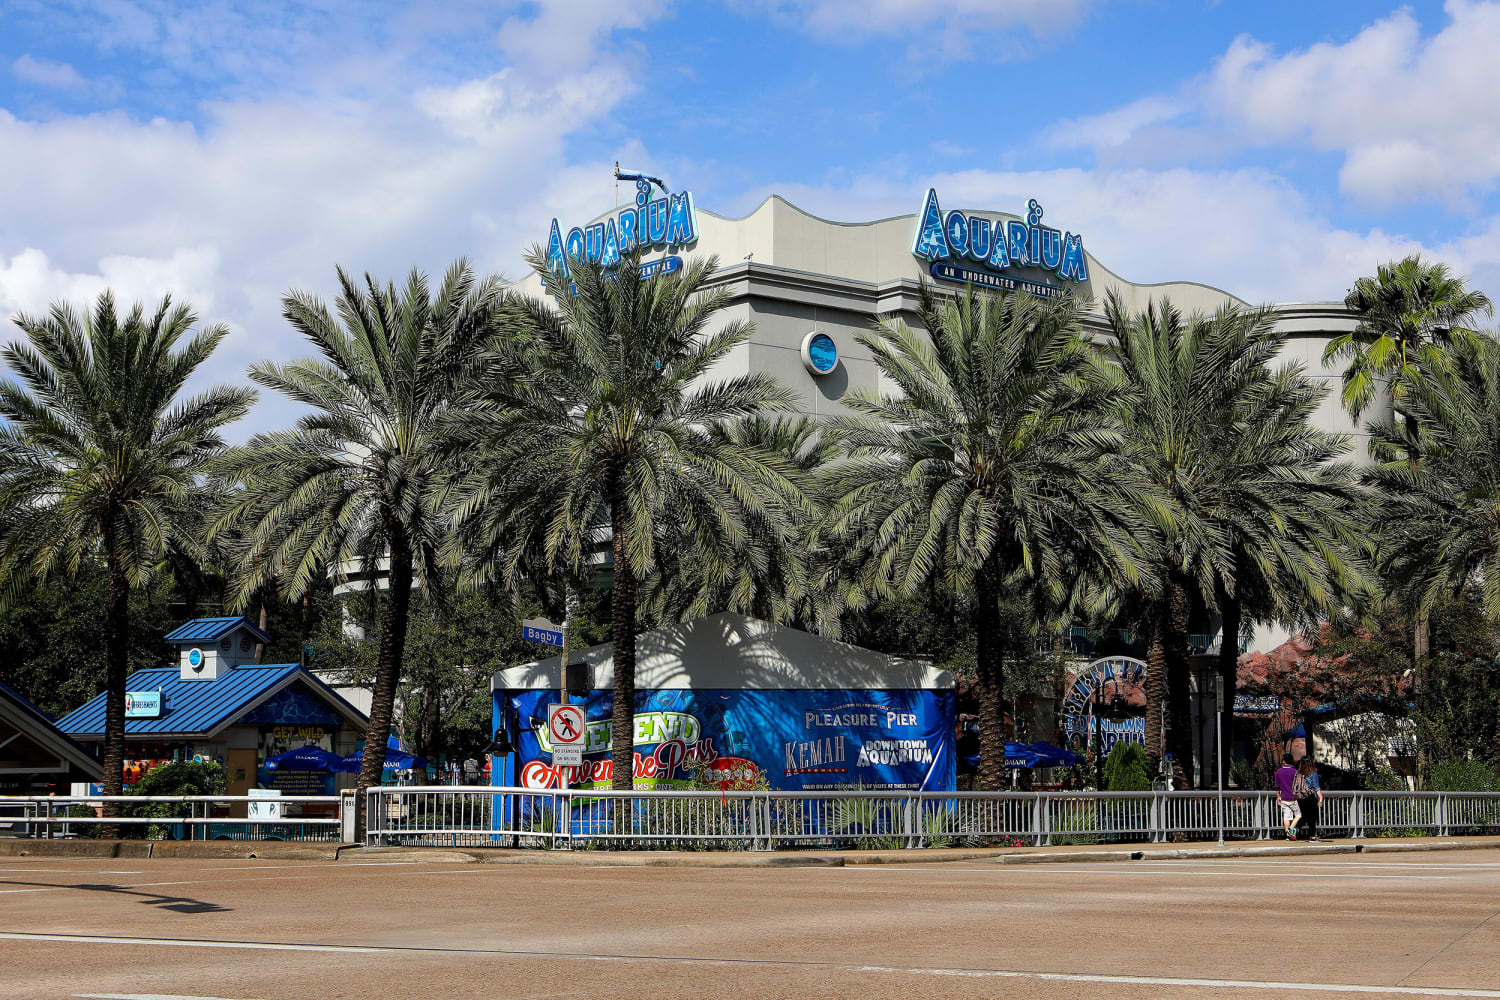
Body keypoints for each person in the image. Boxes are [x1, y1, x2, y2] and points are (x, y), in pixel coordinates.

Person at [1296, 757, 1324, 842]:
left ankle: (1295, 828)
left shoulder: (1299, 774)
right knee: (1312, 817)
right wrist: (1320, 797)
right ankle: (1312, 835)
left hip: (1301, 797)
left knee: (1304, 816)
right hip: (1310, 797)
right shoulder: (1313, 773)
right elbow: (1315, 786)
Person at [1275, 753, 1301, 840]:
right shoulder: (1295, 772)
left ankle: (1287, 835)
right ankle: (1290, 831)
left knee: (1287, 816)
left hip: (1283, 797)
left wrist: (1278, 796)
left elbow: (1277, 786)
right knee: (1298, 815)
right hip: (1293, 797)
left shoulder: (1279, 771)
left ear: (1284, 761)